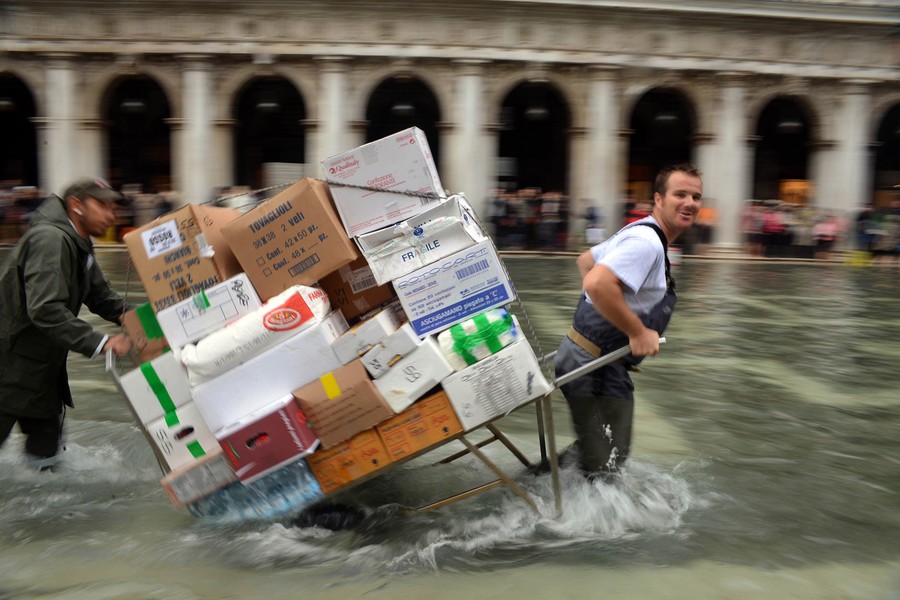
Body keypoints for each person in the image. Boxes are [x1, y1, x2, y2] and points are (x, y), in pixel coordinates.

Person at [554, 164, 702, 480]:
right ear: (658, 199)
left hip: (589, 360)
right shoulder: (647, 242)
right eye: (681, 194)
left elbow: (586, 262)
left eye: (696, 196)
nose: (690, 202)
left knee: (600, 455)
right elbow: (596, 283)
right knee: (606, 464)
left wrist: (598, 320)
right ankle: (548, 503)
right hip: (592, 366)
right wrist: (635, 331)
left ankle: (541, 488)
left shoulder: (643, 232)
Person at [0, 177, 134, 471]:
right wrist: (102, 342)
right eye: (102, 205)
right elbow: (45, 309)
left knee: (46, 462)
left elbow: (99, 295)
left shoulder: (78, 240)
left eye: (113, 207)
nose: (112, 215)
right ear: (76, 206)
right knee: (45, 461)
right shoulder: (51, 239)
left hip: (40, 368)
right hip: (10, 364)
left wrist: (132, 315)